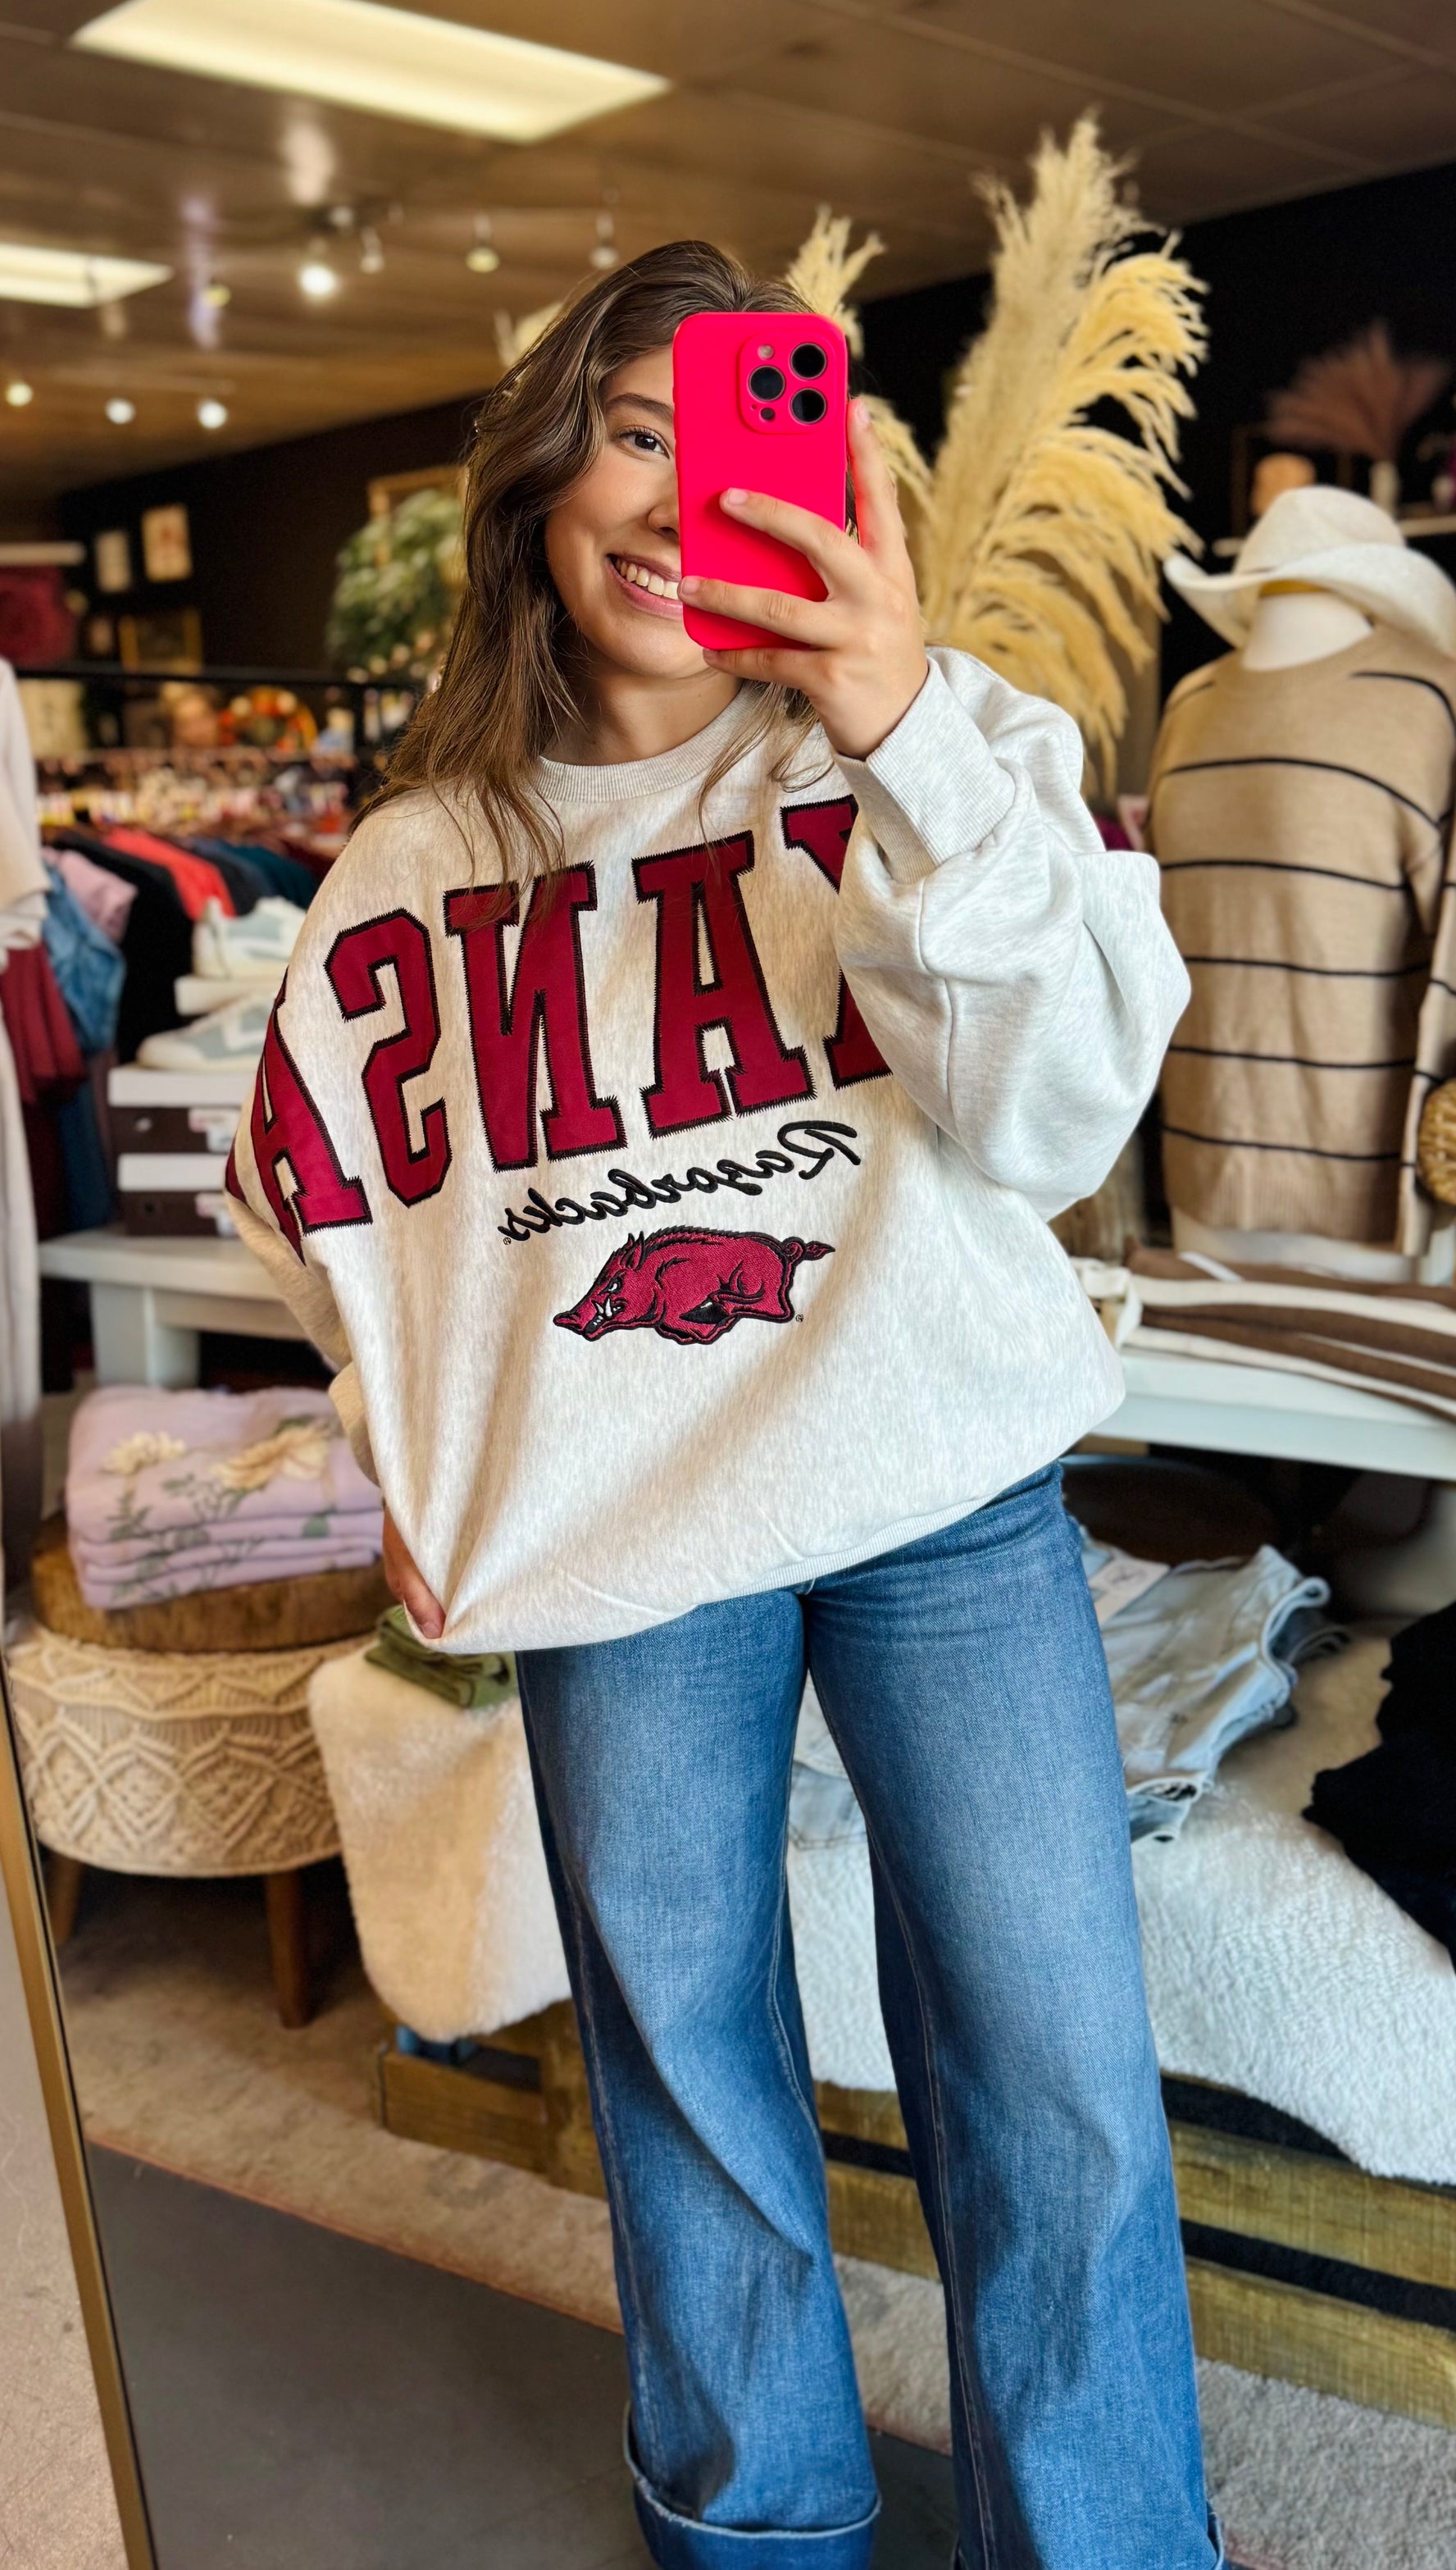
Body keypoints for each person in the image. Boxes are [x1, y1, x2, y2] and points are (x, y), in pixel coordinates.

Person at [225, 241, 1218, 2570]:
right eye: (637, 433)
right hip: (618, 1524)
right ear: (544, 466)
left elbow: (1059, 1115)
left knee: (1057, 2067)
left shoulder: (927, 756)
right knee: (682, 2056)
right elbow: (326, 1207)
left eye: (740, 435)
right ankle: (753, 2534)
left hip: (935, 1491)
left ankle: (1101, 2546)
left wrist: (897, 730)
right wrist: (410, 1435)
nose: (680, 505)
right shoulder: (413, 864)